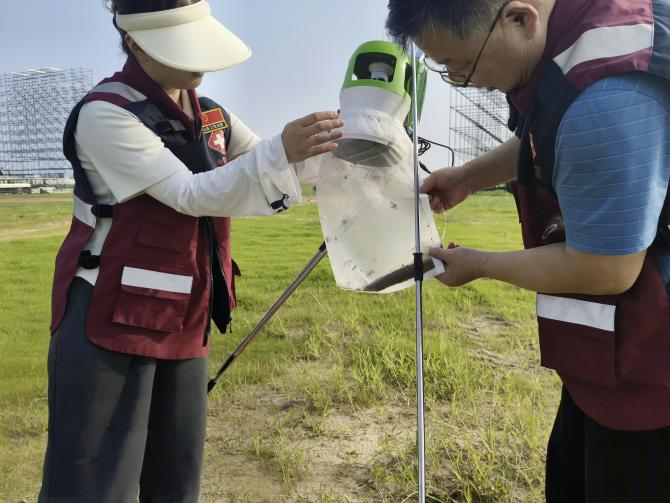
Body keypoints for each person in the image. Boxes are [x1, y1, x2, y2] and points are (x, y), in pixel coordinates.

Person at [39, 1, 344, 501]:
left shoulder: (211, 115)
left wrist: (351, 154)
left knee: (176, 477)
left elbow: (270, 166)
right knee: (94, 483)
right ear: (135, 41)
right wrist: (281, 150)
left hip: (184, 316)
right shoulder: (105, 112)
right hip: (110, 320)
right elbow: (190, 193)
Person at [387, 0, 670, 501]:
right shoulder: (569, 39)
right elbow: (547, 135)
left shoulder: (605, 100)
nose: (464, 80)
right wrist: (469, 176)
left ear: (519, 19)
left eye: (461, 66)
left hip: (656, 373)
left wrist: (480, 264)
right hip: (606, 358)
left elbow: (605, 269)